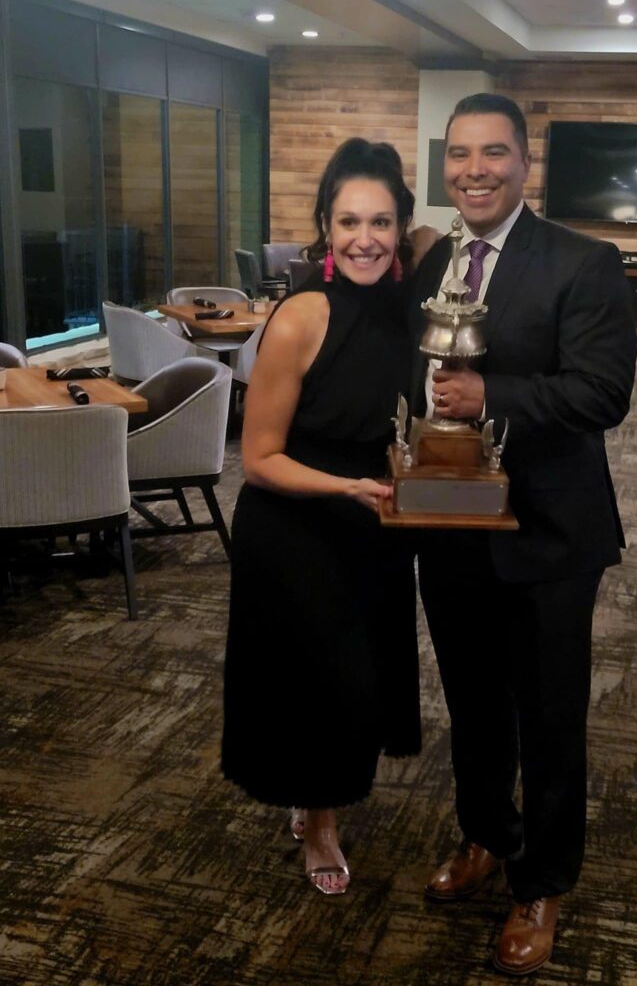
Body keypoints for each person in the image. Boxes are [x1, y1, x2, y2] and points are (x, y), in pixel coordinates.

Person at [408, 93, 636, 974]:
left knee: (548, 717)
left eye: (493, 153)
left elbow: (602, 393)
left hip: (548, 532)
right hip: (451, 527)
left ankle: (541, 883)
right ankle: (485, 838)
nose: (474, 170)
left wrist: (490, 396)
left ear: (524, 162)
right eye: (460, 154)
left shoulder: (584, 262)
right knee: (472, 704)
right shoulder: (434, 263)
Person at [221, 138, 421, 896]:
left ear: (402, 226)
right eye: (348, 222)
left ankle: (318, 801)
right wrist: (346, 490)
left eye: (381, 221)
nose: (365, 238)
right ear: (325, 229)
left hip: (373, 520)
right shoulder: (302, 315)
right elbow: (259, 457)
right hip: (296, 527)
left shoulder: (406, 308)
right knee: (320, 683)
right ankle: (321, 822)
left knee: (359, 681)